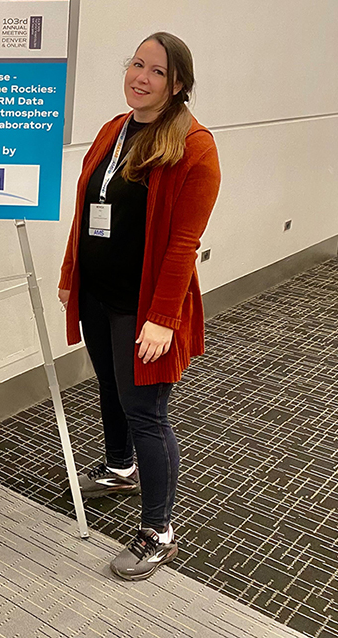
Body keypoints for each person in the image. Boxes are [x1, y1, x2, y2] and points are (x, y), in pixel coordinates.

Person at [58, 32, 220, 581]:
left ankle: (158, 532)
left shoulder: (194, 147)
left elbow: (182, 243)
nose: (139, 77)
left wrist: (163, 317)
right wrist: (70, 274)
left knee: (147, 412)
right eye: (135, 64)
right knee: (111, 387)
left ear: (177, 85)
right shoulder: (114, 129)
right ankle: (119, 467)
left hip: (145, 305)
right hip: (100, 294)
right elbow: (87, 208)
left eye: (154, 71)